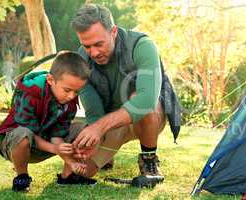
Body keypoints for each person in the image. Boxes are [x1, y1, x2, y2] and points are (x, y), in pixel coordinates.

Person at [69, 4, 182, 188]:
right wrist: (96, 139)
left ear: (113, 32)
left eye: (99, 44)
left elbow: (146, 101)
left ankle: (149, 162)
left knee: (144, 102)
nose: (94, 53)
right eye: (87, 46)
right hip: (111, 122)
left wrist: (99, 127)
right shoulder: (82, 58)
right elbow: (93, 111)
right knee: (78, 174)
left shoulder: (142, 46)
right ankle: (107, 157)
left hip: (148, 119)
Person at [0, 51, 95, 192]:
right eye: (67, 90)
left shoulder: (69, 100)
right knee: (23, 133)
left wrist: (71, 162)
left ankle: (68, 175)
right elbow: (26, 131)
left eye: (77, 92)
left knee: (84, 129)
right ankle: (22, 177)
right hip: (16, 145)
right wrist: (55, 148)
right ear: (50, 79)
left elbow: (57, 135)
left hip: (46, 143)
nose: (71, 96)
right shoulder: (31, 90)